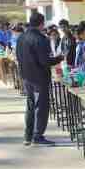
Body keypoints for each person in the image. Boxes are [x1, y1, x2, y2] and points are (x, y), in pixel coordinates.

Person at [16, 12, 64, 146]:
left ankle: (28, 135)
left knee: (31, 106)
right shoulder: (41, 39)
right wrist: (59, 58)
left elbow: (19, 57)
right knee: (41, 107)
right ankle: (38, 136)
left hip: (26, 76)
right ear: (42, 24)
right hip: (39, 78)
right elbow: (45, 61)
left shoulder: (21, 38)